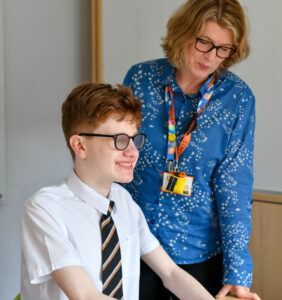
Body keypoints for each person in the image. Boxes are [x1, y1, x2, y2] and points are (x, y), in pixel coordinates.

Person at [19, 83, 215, 300]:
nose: (133, 152)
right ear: (80, 146)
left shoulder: (124, 201)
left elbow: (170, 273)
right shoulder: (44, 208)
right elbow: (85, 295)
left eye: (135, 140)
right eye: (119, 141)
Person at [123, 0, 260, 299]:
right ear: (183, 33)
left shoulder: (237, 98)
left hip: (198, 253)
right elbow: (116, 155)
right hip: (135, 244)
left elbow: (234, 186)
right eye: (205, 43)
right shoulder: (140, 80)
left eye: (224, 48)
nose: (212, 57)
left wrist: (238, 270)